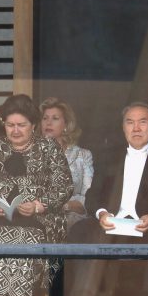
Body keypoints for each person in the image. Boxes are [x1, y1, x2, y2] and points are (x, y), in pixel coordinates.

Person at [67, 102, 148, 296]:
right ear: (123, 127)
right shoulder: (109, 155)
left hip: (147, 225)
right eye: (130, 122)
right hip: (112, 224)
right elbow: (93, 196)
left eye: (142, 122)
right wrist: (102, 214)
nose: (136, 128)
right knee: (79, 231)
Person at [0, 95, 72, 296]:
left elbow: (64, 186)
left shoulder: (49, 148)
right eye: (10, 125)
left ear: (33, 125)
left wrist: (39, 205)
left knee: (27, 235)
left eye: (21, 125)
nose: (15, 131)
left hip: (39, 217)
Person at [39, 97, 93, 229]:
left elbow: (89, 198)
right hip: (36, 217)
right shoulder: (31, 154)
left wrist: (65, 206)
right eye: (45, 118)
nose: (48, 123)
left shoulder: (83, 155)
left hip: (71, 218)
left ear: (66, 125)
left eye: (55, 118)